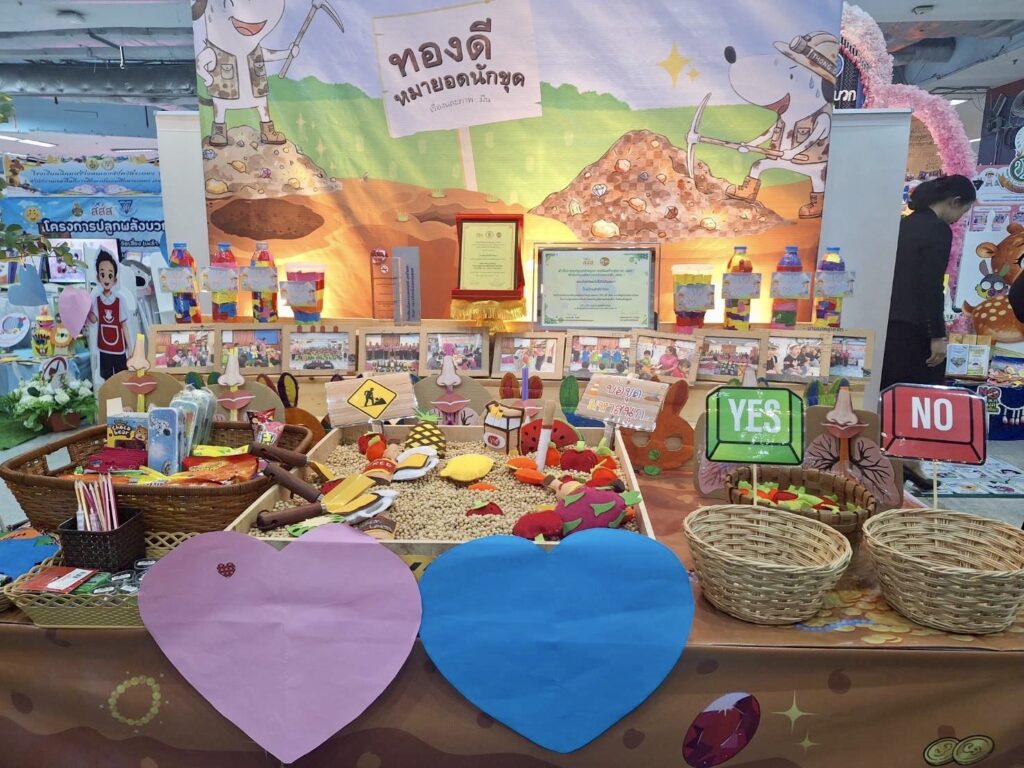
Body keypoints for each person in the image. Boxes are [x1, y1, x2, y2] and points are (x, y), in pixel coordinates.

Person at [882, 174, 977, 488]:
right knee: (919, 397)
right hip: (916, 329)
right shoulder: (938, 229)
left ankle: (893, 463)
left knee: (891, 394)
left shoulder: (904, 225)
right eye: (963, 211)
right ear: (954, 202)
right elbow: (931, 286)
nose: (959, 218)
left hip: (890, 324)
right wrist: (937, 334)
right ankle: (909, 462)